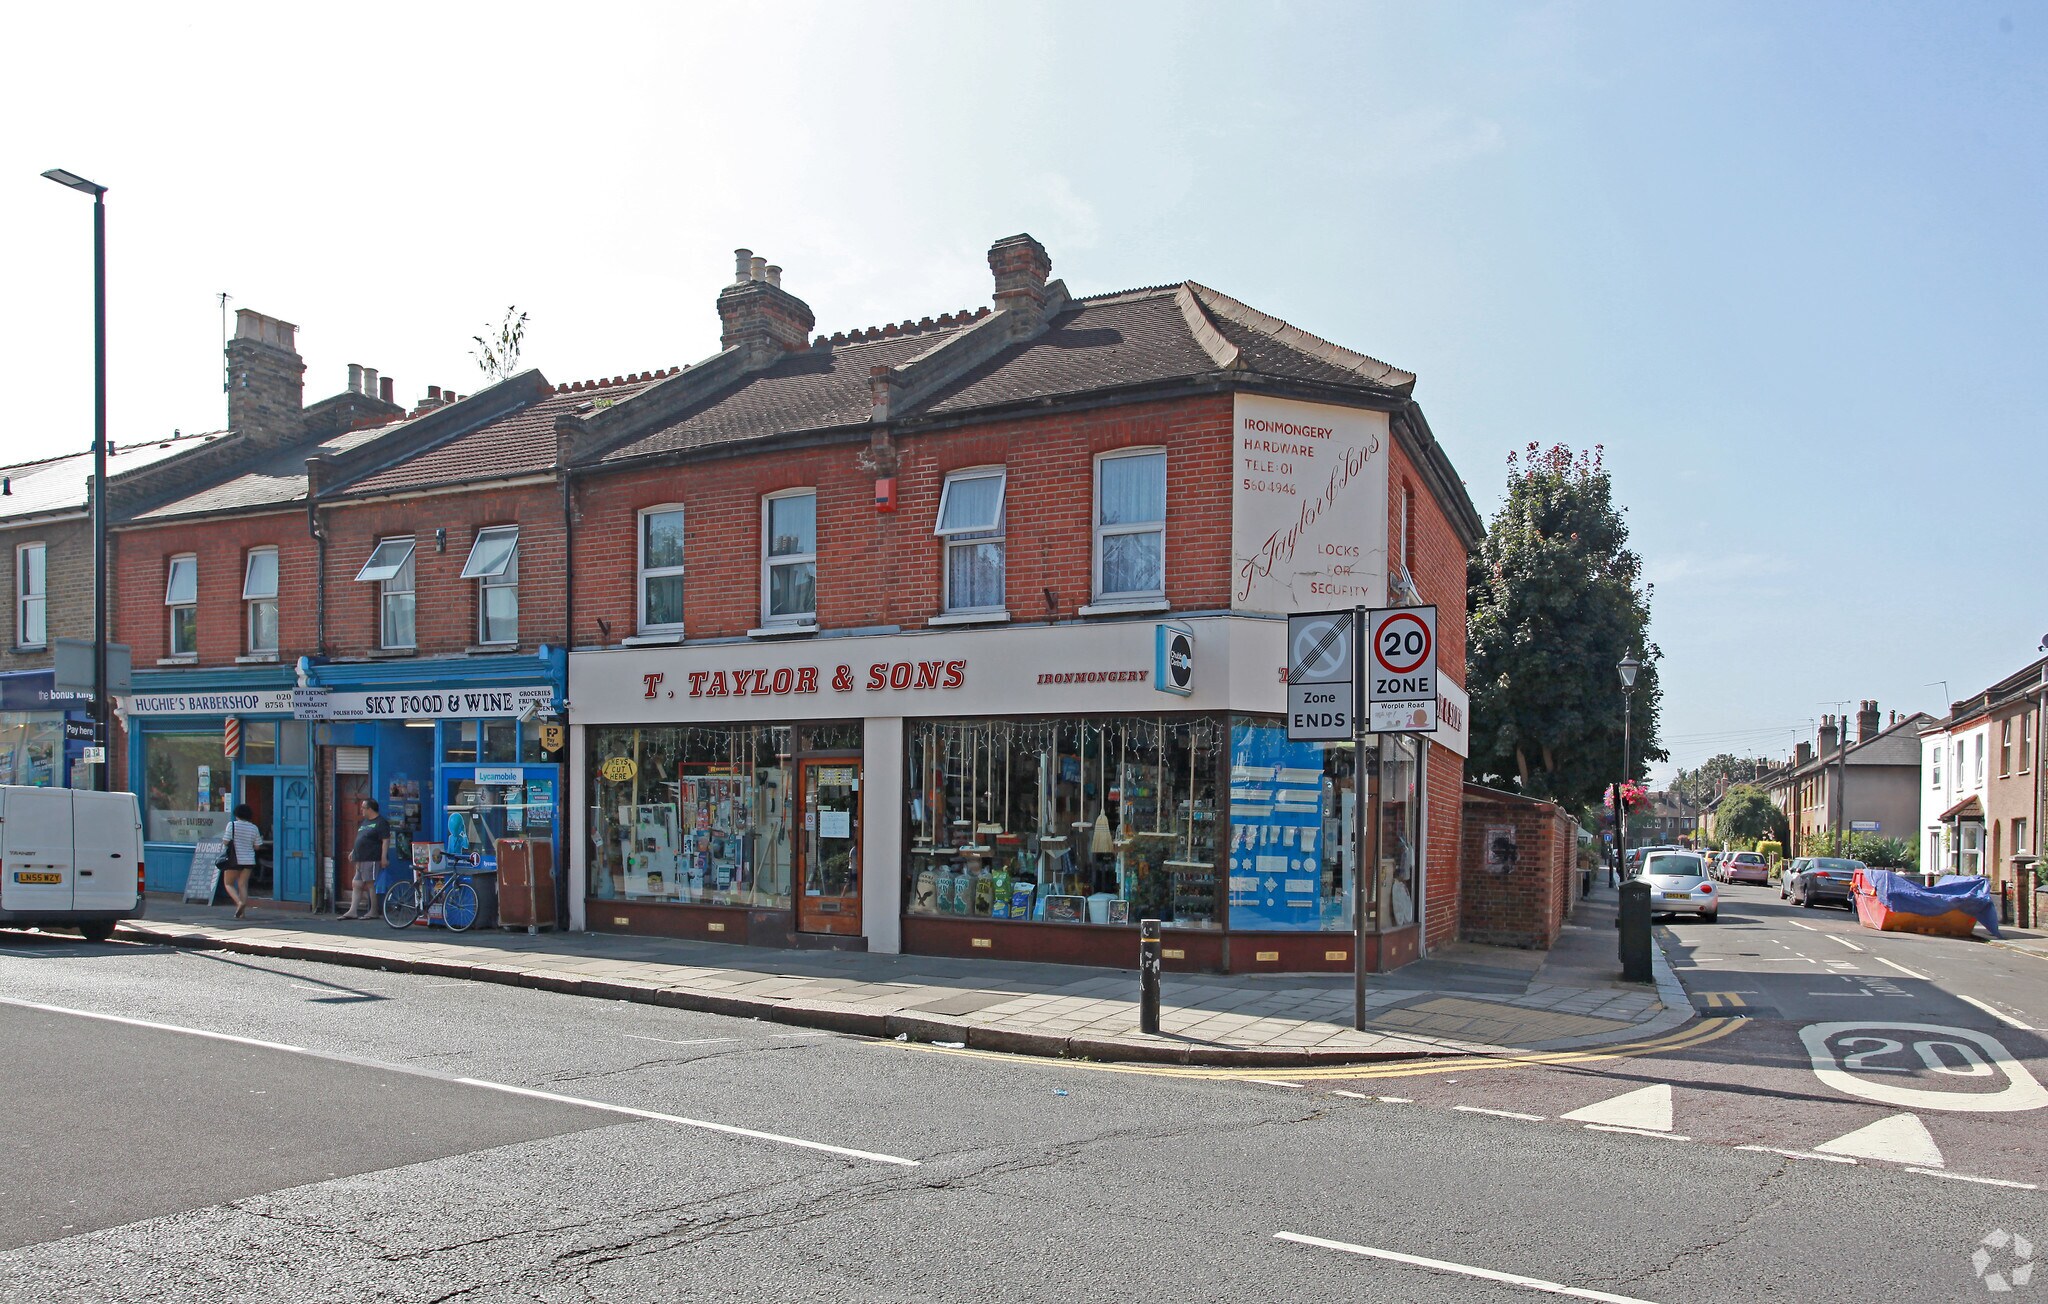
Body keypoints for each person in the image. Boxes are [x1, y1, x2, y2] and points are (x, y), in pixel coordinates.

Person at [340, 797, 390, 920]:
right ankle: (352, 911)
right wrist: (354, 851)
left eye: (363, 808)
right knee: (356, 883)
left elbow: (385, 840)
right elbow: (361, 837)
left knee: (370, 883)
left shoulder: (381, 822)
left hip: (371, 858)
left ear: (370, 809)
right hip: (360, 858)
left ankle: (373, 911)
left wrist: (383, 857)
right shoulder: (365, 822)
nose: (361, 810)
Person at [223, 803, 262, 920]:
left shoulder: (232, 825)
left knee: (228, 883)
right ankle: (242, 913)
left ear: (237, 814)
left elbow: (225, 841)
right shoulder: (254, 828)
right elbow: (257, 846)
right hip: (249, 860)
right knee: (243, 885)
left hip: (234, 860)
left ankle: (239, 902)